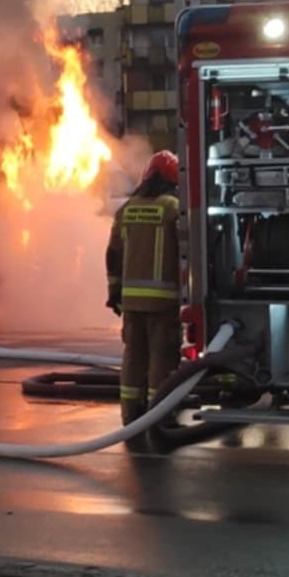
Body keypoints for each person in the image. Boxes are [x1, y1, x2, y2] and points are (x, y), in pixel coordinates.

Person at [105, 150, 181, 447]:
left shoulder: (126, 210)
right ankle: (159, 415)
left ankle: (131, 415)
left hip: (131, 302)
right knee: (162, 358)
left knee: (133, 357)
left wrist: (114, 292)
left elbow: (112, 256)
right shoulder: (174, 209)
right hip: (164, 301)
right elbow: (188, 255)